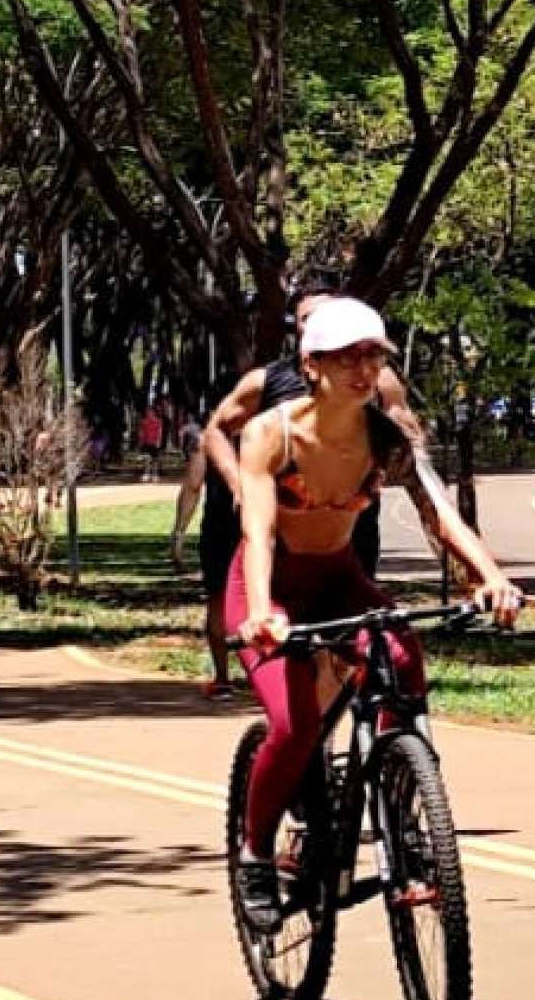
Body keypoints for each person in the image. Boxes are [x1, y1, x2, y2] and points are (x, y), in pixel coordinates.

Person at [223, 299, 522, 909]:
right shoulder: (270, 435)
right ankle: (256, 852)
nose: (363, 369)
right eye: (347, 357)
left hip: (339, 578)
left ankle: (401, 814)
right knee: (294, 723)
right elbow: (260, 531)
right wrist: (261, 611)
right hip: (270, 587)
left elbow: (440, 514)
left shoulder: (386, 439)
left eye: (373, 355)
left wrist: (490, 577)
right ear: (311, 364)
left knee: (404, 661)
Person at [174, 282, 433, 694]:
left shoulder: (377, 379)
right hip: (282, 522)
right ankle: (238, 679)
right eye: (308, 320)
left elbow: (403, 427)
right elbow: (216, 431)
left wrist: (407, 438)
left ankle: (337, 710)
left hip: (348, 518)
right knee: (258, 607)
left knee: (355, 627)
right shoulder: (266, 381)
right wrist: (239, 485)